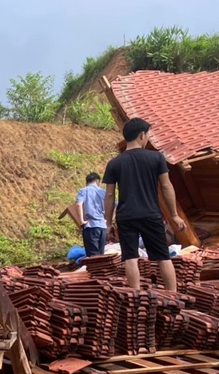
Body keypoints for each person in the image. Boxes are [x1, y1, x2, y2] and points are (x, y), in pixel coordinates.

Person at [103, 117, 185, 291]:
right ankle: (174, 296)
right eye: (147, 134)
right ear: (141, 135)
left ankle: (136, 297)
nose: (147, 138)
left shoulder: (114, 163)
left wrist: (108, 223)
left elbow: (109, 195)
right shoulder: (156, 158)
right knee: (163, 256)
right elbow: (166, 186)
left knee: (130, 257)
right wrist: (174, 215)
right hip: (150, 214)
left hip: (126, 216)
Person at [75, 172, 107, 257]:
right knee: (101, 255)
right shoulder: (103, 192)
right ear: (98, 181)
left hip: (90, 226)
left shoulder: (83, 191)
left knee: (93, 257)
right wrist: (107, 219)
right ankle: (102, 269)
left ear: (87, 182)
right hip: (103, 227)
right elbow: (114, 204)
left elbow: (79, 204)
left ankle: (97, 270)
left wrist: (81, 221)